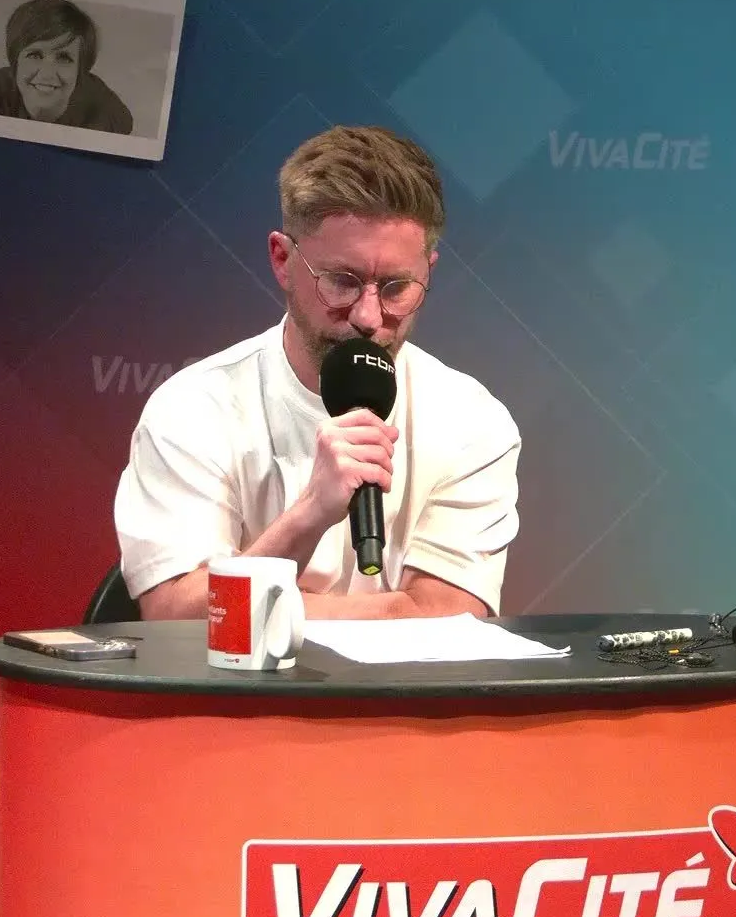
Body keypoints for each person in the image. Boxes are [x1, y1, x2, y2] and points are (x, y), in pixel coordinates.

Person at [115, 125, 522, 620]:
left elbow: (447, 621)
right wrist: (310, 513)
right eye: (342, 281)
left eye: (396, 287)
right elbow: (175, 619)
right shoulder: (192, 409)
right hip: (236, 680)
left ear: (429, 272)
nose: (368, 317)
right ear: (282, 260)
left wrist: (264, 608)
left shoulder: (473, 422)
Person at [0, 0, 134, 134]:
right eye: (35, 55)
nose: (47, 73)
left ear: (81, 70)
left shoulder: (102, 107)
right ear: (15, 60)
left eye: (64, 58)